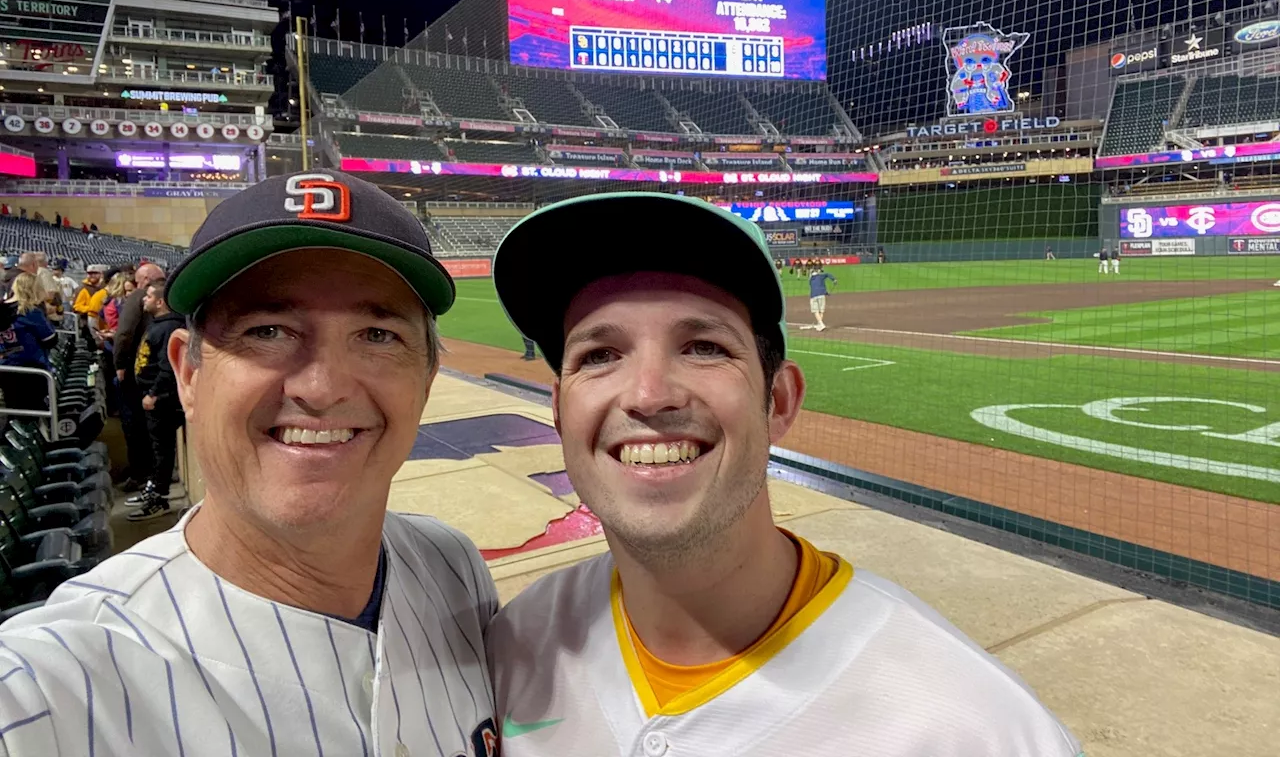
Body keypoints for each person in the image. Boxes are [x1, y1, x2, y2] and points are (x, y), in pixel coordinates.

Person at [486, 192, 1081, 757]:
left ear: (779, 402)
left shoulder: (979, 729)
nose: (648, 394)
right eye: (600, 356)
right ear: (560, 410)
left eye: (703, 347)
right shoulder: (515, 644)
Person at [0, 170, 498, 755]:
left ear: (426, 378)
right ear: (188, 373)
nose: (322, 386)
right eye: (268, 331)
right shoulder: (44, 690)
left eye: (377, 335)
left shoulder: (453, 566)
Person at [126, 279, 186, 520]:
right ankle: (154, 487)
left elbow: (167, 367)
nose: (144, 300)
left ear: (160, 302)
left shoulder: (170, 327)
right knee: (155, 447)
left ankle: (159, 497)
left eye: (149, 296)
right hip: (152, 395)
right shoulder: (158, 324)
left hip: (162, 399)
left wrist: (154, 393)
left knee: (161, 449)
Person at [114, 261, 165, 489]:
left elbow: (124, 333)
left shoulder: (137, 298)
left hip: (139, 371)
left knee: (134, 424)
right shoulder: (168, 297)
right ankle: (153, 472)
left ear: (145, 280)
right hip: (157, 373)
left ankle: (140, 474)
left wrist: (119, 363)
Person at [0, 272, 57, 414]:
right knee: (32, 412)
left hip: (6, 366)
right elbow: (50, 339)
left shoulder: (1, 308)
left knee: (13, 410)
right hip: (32, 368)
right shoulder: (30, 311)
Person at [807, 262, 837, 332]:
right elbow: (827, 276)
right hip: (821, 295)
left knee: (815, 311)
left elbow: (816, 287)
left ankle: (821, 324)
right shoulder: (821, 277)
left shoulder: (810, 279)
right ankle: (819, 325)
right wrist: (834, 280)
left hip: (814, 295)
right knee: (821, 311)